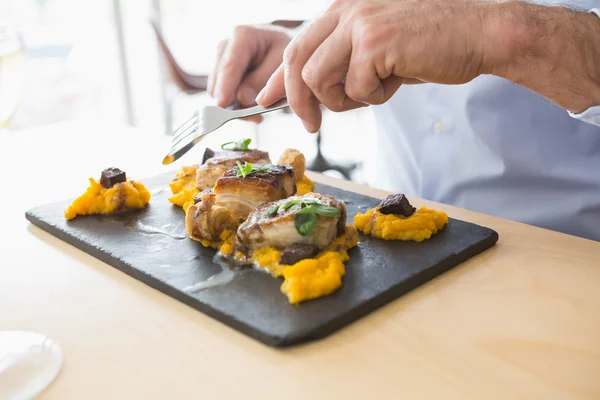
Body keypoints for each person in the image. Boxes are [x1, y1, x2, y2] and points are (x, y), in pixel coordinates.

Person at [207, 0, 600, 241]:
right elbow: (380, 20)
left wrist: (491, 34)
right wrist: (304, 48)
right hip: (382, 241)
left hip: (568, 252)